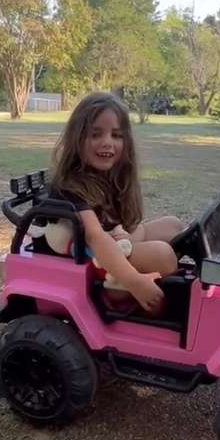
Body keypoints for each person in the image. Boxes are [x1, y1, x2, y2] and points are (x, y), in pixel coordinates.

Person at [49, 92, 184, 313]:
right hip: (101, 269)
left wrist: (121, 232)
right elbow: (95, 236)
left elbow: (114, 224)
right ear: (77, 137)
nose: (107, 143)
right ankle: (147, 291)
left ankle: (184, 282)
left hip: (116, 246)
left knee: (174, 225)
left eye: (116, 135)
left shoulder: (107, 175)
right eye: (95, 134)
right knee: (164, 255)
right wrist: (135, 282)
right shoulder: (70, 185)